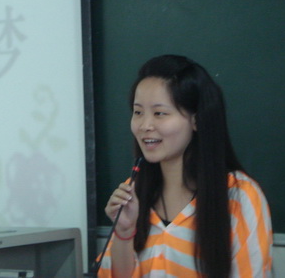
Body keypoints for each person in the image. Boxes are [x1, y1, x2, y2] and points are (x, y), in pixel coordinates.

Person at [97, 55, 273, 278]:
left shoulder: (239, 196)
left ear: (196, 120)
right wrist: (124, 232)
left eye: (159, 113)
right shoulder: (132, 193)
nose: (145, 125)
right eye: (138, 112)